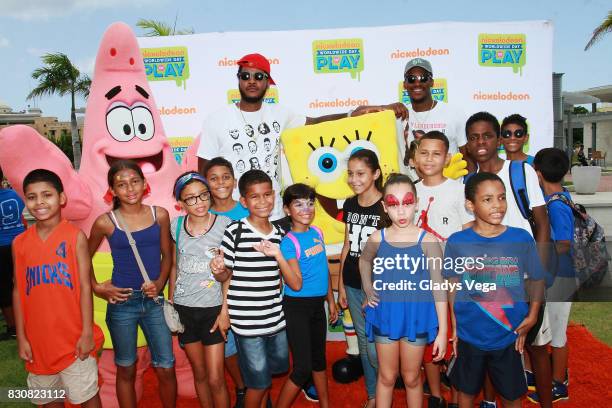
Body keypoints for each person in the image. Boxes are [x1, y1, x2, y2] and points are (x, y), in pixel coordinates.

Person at [196, 53, 400, 220]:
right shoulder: (216, 119)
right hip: (232, 214)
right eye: (245, 76)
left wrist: (353, 113)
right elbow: (203, 171)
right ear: (238, 79)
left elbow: (316, 122)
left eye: (259, 77)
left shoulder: (280, 114)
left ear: (268, 83)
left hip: (273, 213)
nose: (251, 81)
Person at [465, 111, 552, 408]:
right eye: (474, 137)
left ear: (499, 139)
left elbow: (542, 223)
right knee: (495, 348)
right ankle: (489, 402)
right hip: (491, 282)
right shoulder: (469, 181)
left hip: (527, 280)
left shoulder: (521, 171)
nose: (481, 142)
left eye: (487, 135)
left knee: (535, 346)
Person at [444, 172, 546, 408]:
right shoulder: (457, 242)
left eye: (501, 198)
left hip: (509, 336)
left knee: (512, 396)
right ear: (471, 205)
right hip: (470, 335)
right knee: (466, 393)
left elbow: (537, 279)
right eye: (487, 199)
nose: (497, 205)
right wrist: (455, 326)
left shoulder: (521, 238)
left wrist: (531, 316)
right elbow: (452, 286)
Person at [88, 160, 177, 408]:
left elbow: (168, 254)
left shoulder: (159, 215)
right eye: (121, 184)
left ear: (145, 184)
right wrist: (97, 287)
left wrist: (160, 283)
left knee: (166, 367)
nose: (130, 189)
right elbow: (81, 256)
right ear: (112, 191)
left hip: (154, 303)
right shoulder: (105, 222)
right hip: (122, 304)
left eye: (135, 181)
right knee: (125, 368)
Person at [13, 169, 104, 407]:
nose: (39, 202)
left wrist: (86, 332)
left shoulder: (75, 237)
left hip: (73, 340)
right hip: (38, 343)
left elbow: (85, 287)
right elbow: (17, 291)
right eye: (32, 197)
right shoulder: (19, 243)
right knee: (48, 400)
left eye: (47, 195)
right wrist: (22, 337)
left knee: (86, 396)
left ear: (61, 198)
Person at [359, 173, 448, 408]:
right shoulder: (378, 237)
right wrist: (368, 289)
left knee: (411, 377)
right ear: (384, 207)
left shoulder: (428, 241)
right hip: (385, 315)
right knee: (387, 377)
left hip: (417, 318)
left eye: (407, 203)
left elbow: (439, 287)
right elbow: (364, 261)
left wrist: (442, 331)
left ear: (417, 203)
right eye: (393, 204)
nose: (401, 211)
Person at [210, 170, 288, 408]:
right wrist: (218, 270)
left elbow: (281, 275)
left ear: (274, 196)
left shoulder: (282, 234)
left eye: (267, 195)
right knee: (258, 383)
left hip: (276, 318)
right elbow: (226, 276)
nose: (262, 202)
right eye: (254, 197)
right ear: (243, 201)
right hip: (246, 322)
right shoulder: (236, 232)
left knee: (277, 368)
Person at [413, 132, 473, 408]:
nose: (429, 159)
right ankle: (435, 395)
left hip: (453, 277)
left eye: (437, 154)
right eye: (424, 153)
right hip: (419, 278)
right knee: (428, 336)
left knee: (457, 334)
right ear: (414, 157)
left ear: (447, 158)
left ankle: (460, 396)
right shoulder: (410, 191)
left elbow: (468, 234)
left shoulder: (459, 190)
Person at [169, 171, 232, 408]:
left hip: (213, 309)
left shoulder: (225, 225)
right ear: (181, 202)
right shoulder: (175, 226)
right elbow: (175, 265)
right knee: (200, 374)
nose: (199, 202)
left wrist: (225, 310)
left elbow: (230, 274)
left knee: (216, 378)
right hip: (185, 310)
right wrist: (172, 303)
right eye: (191, 198)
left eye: (203, 195)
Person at [274, 183, 338, 408]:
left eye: (310, 203)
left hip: (317, 306)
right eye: (298, 204)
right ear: (286, 209)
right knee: (302, 368)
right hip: (297, 307)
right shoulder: (288, 243)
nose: (306, 209)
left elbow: (323, 270)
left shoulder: (317, 232)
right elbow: (296, 284)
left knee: (319, 361)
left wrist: (331, 300)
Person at [337, 149, 384, 408]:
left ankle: (385, 385)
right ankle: (373, 395)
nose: (354, 179)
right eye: (351, 174)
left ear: (376, 173)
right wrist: (341, 284)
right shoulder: (350, 204)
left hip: (378, 286)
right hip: (353, 282)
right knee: (365, 343)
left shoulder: (386, 206)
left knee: (378, 344)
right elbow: (347, 244)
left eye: (361, 173)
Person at [529, 148, 574, 404]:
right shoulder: (560, 196)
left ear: (538, 173)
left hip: (561, 276)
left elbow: (564, 243)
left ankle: (559, 382)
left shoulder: (555, 203)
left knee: (557, 332)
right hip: (559, 275)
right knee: (553, 327)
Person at [203, 157, 248, 406]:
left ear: (234, 181)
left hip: (248, 285)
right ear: (206, 183)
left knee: (253, 344)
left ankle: (258, 388)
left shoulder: (247, 209)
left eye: (226, 176)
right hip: (215, 291)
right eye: (213, 178)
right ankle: (242, 387)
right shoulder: (202, 212)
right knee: (228, 347)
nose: (221, 183)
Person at [396, 58, 470, 174]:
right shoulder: (400, 115)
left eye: (423, 78)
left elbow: (468, 158)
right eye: (411, 79)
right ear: (405, 84)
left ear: (431, 82)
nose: (417, 83)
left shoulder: (454, 113)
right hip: (414, 188)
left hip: (449, 187)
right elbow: (357, 114)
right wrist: (386, 106)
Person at [0, 166, 26, 340]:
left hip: (2, 247)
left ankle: (13, 327)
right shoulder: (17, 194)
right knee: (23, 284)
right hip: (22, 245)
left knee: (4, 289)